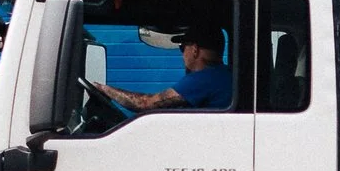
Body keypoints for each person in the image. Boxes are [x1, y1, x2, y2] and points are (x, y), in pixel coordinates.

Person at [93, 32, 234, 114]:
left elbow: (144, 104)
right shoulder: (225, 75)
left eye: (182, 48)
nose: (182, 55)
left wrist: (104, 89)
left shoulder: (204, 79)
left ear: (195, 49)